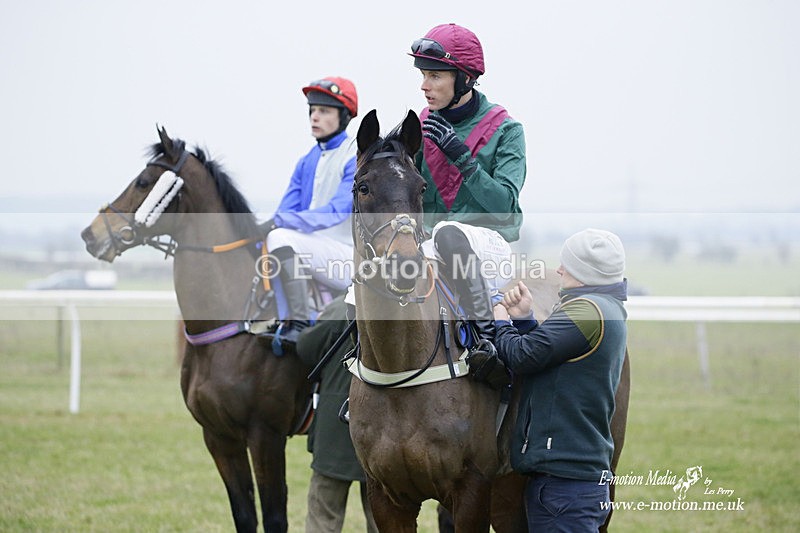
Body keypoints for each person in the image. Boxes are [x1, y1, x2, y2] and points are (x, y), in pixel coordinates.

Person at [408, 23, 526, 387]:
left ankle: (487, 340)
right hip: (433, 246)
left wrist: (463, 158)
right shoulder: (422, 125)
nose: (424, 85)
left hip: (489, 247)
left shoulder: (507, 130)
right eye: (423, 75)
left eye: (435, 75)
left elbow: (505, 205)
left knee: (449, 231)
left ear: (464, 79)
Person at [492, 228, 628, 532]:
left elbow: (523, 357)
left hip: (566, 486)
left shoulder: (586, 312)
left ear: (584, 272)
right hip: (573, 479)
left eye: (567, 264)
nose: (559, 269)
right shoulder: (603, 308)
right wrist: (525, 319)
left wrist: (501, 321)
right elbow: (546, 357)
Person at [261, 76, 358, 351]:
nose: (314, 117)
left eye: (324, 111)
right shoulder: (306, 161)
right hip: (313, 251)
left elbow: (336, 211)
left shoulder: (355, 155)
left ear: (344, 116)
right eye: (312, 110)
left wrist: (280, 222)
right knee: (268, 239)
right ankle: (283, 320)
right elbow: (286, 209)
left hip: (347, 257)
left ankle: (299, 325)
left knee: (279, 237)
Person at [295, 294, 379, 533]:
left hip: (336, 426)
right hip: (382, 429)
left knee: (323, 516)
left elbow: (306, 348)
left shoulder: (337, 309)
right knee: (384, 519)